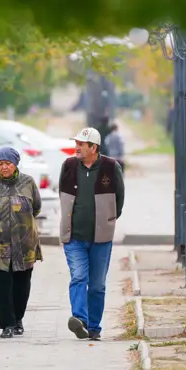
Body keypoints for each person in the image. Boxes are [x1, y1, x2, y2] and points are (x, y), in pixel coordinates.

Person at [58, 127, 125, 341]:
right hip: (74, 237)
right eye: (76, 143)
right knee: (78, 277)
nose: (76, 147)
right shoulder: (68, 166)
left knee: (97, 285)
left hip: (101, 238)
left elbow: (119, 200)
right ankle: (80, 319)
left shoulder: (111, 167)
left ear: (93, 148)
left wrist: (108, 220)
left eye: (81, 144)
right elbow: (63, 193)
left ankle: (94, 327)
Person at [0, 147, 43, 339]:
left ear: (15, 164)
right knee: (1, 284)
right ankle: (7, 324)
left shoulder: (28, 182)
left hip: (25, 244)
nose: (4, 167)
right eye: (0, 164)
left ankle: (18, 319)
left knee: (22, 284)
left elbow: (36, 207)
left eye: (7, 163)